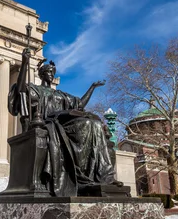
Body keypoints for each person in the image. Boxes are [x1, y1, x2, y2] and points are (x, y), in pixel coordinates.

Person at [8, 48, 122, 197]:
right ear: (42, 74)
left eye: (52, 73)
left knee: (96, 124)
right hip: (49, 123)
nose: (51, 75)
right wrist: (24, 62)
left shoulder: (61, 94)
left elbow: (79, 104)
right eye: (48, 72)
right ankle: (81, 176)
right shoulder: (35, 89)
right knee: (87, 125)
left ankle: (104, 176)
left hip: (65, 124)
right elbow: (21, 90)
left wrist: (92, 88)